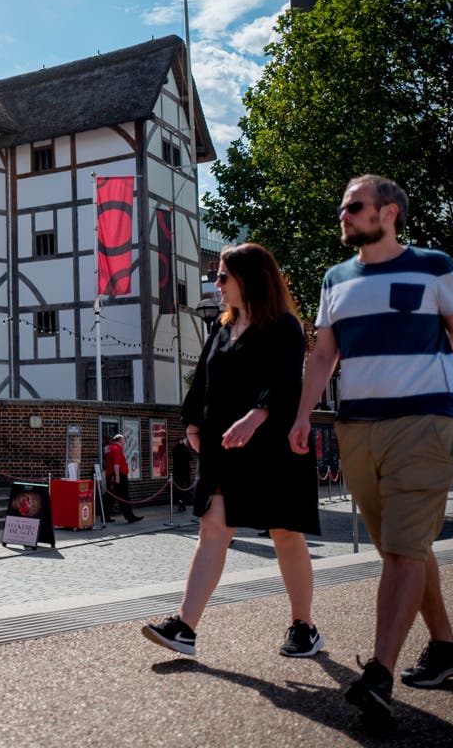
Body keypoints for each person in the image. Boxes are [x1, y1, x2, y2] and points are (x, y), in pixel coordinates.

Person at [289, 174, 453, 730]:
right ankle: (446, 647)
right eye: (342, 207)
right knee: (402, 546)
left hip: (426, 422)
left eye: (354, 206)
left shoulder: (434, 265)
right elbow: (323, 353)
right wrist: (304, 414)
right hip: (358, 429)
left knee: (404, 547)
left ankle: (378, 674)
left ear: (390, 212)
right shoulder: (335, 278)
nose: (344, 215)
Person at [143, 242, 322, 659]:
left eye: (223, 275)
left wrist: (256, 416)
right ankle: (185, 627)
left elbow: (285, 381)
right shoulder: (221, 330)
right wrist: (191, 423)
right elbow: (202, 382)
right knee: (213, 530)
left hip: (273, 447)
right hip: (223, 449)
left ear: (250, 279)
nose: (216, 283)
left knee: (285, 534)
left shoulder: (284, 327)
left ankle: (304, 625)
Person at [104, 434, 142, 523]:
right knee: (124, 496)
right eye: (124, 440)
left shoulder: (110, 448)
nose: (125, 441)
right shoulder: (117, 449)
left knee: (111, 497)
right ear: (119, 440)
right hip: (118, 475)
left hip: (111, 475)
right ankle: (130, 517)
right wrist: (117, 476)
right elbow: (116, 464)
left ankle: (105, 516)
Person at [171, 436, 194, 512]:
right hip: (185, 472)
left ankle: (181, 504)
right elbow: (191, 458)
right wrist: (186, 447)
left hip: (177, 473)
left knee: (179, 489)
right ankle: (186, 502)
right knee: (187, 488)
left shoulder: (174, 449)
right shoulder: (185, 449)